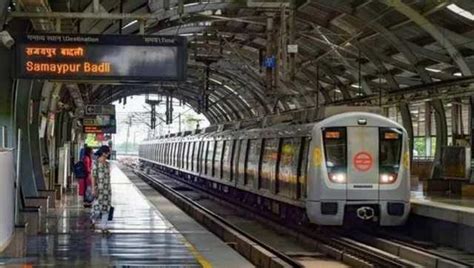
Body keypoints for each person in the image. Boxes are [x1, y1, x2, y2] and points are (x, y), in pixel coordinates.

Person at [90, 145, 112, 233]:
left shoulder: (107, 164)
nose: (109, 153)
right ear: (103, 153)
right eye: (108, 152)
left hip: (107, 189)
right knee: (97, 208)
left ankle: (104, 227)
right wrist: (93, 188)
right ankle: (93, 219)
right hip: (99, 188)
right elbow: (93, 177)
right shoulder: (95, 163)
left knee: (106, 208)